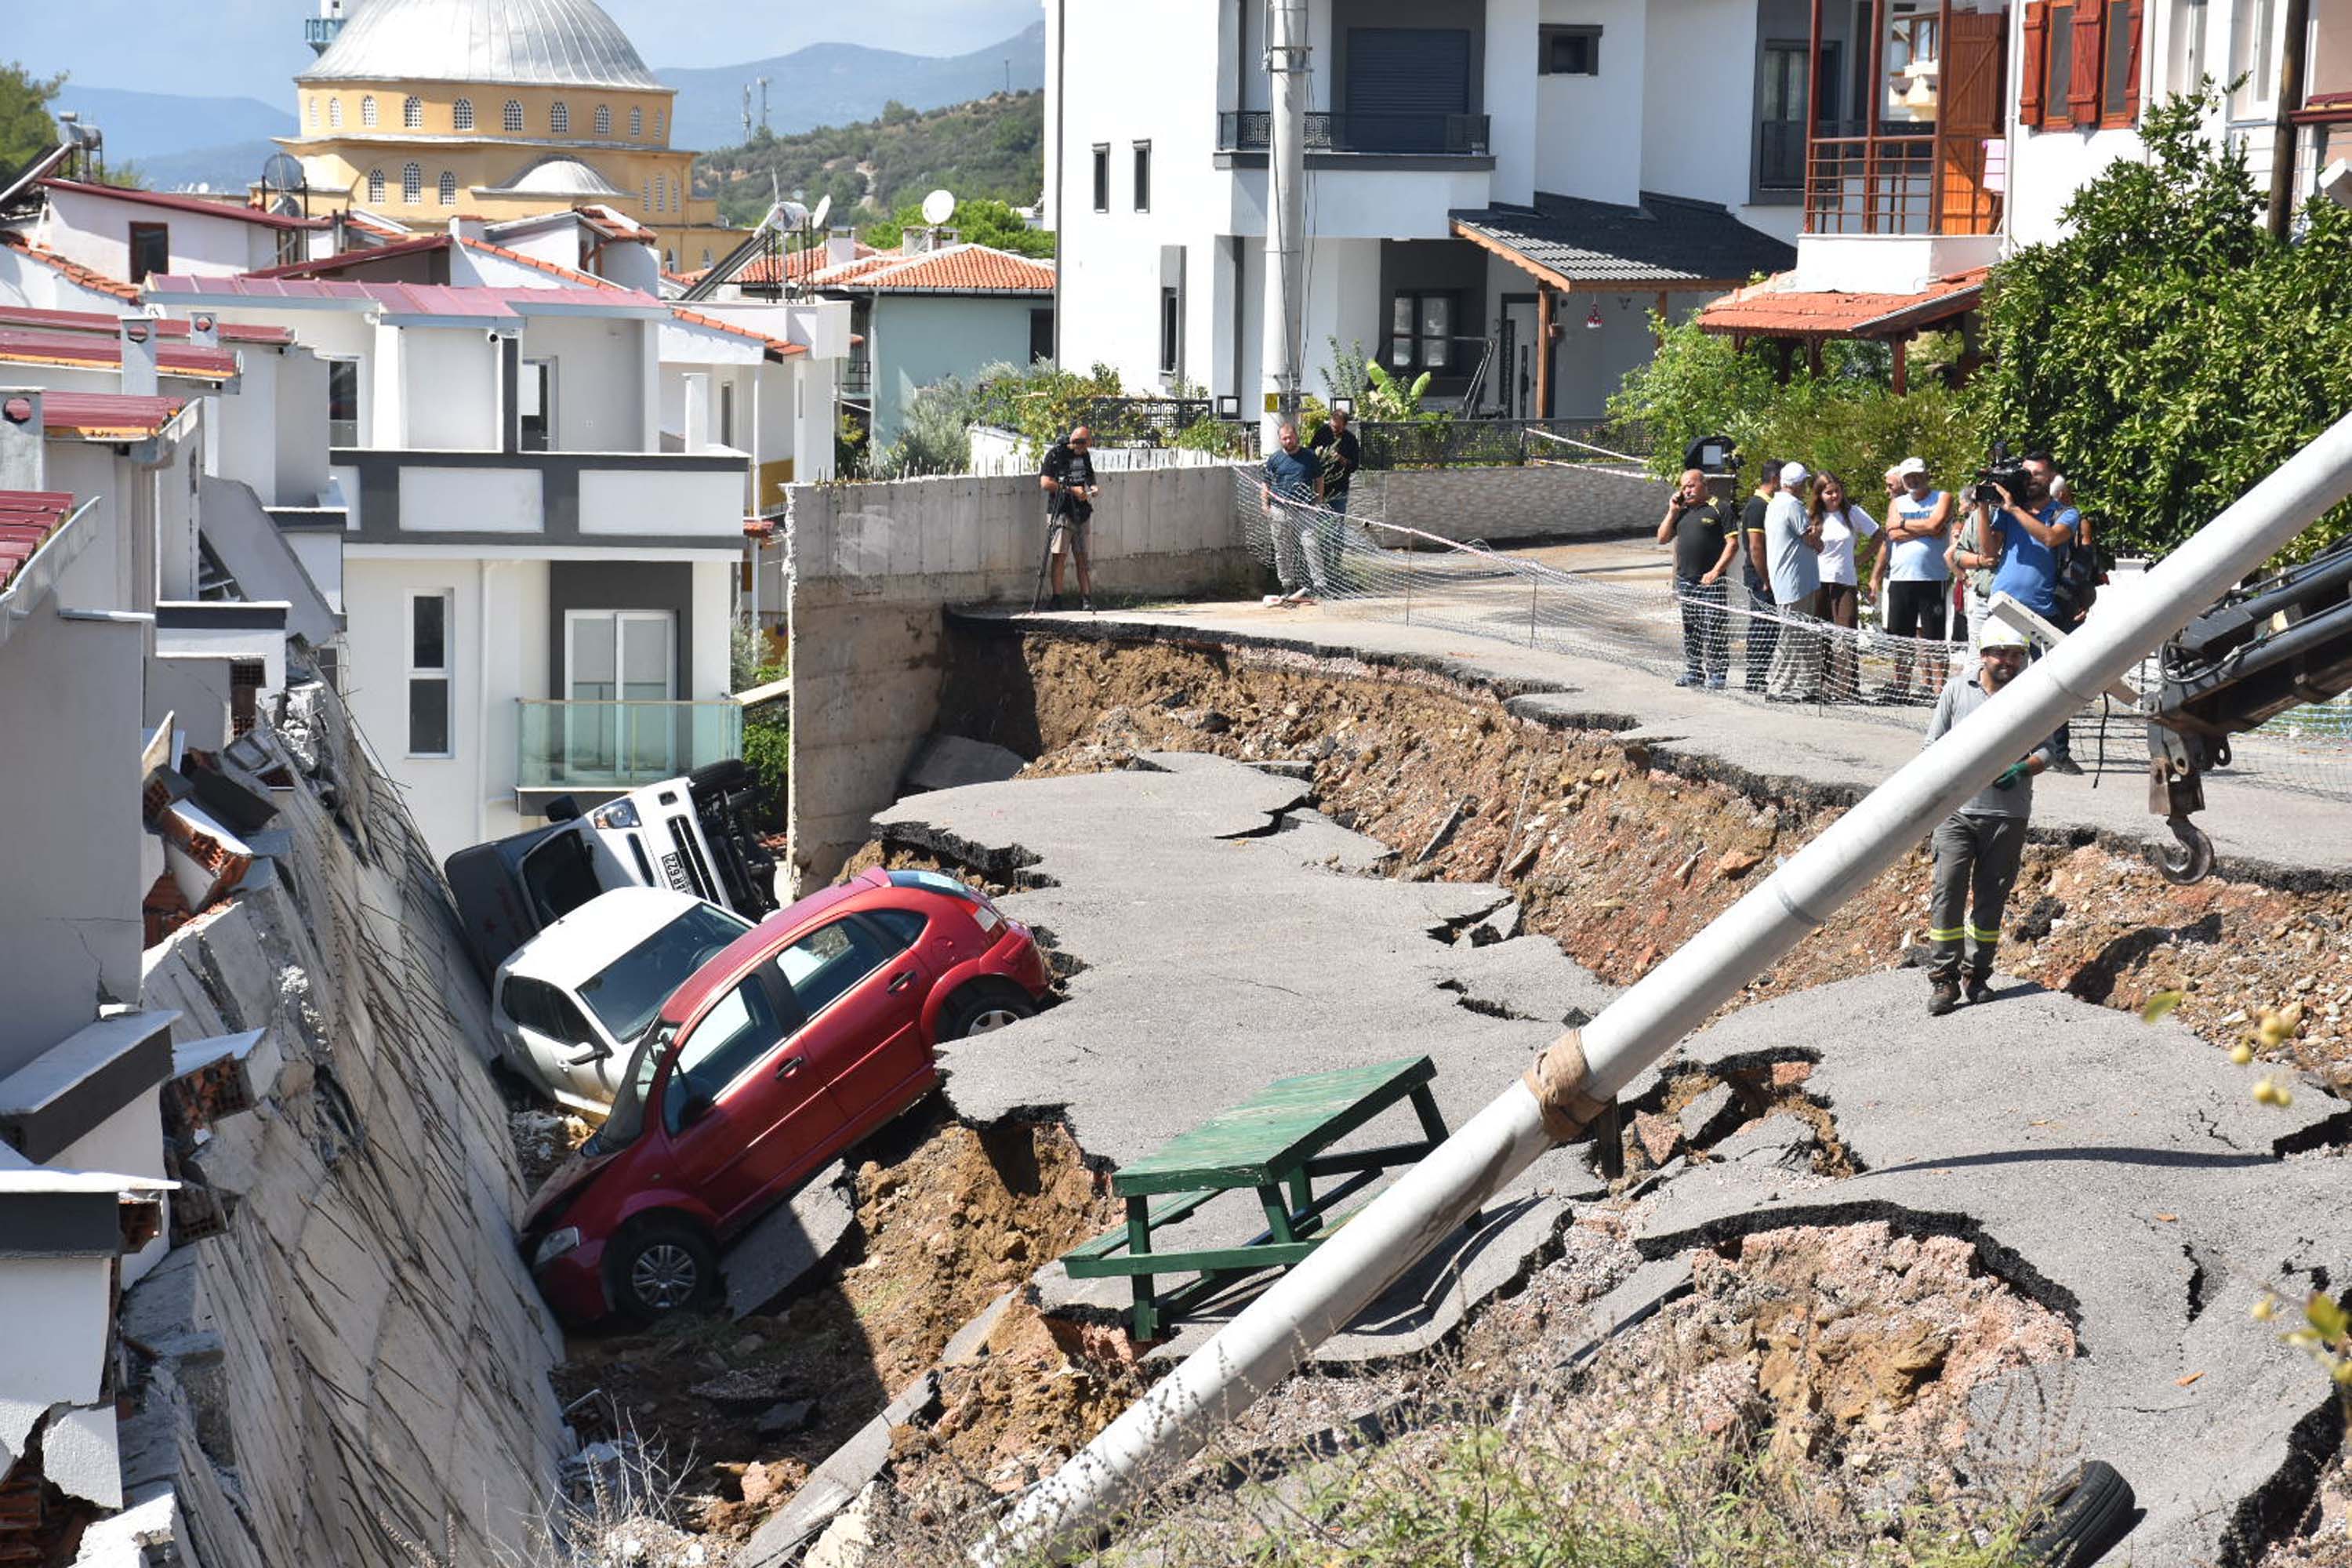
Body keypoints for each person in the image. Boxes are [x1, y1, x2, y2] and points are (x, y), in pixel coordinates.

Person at [1922, 622, 2056, 1015]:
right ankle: (1943, 980)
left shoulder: (2033, 696)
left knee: (1990, 901)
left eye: (2015, 654)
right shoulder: (1957, 691)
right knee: (1947, 893)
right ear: (1983, 655)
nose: (2008, 661)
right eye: (2000, 653)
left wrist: (2022, 769)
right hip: (1958, 813)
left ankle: (1977, 975)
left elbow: (2049, 751)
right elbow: (1931, 745)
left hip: (2007, 816)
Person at [1965, 451, 2083, 771]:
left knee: (2052, 683)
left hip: (2044, 609)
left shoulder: (2065, 512)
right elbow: (1989, 553)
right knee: (1998, 675)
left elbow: (2049, 537)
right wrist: (1984, 507)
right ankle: (1993, 745)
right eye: (2026, 473)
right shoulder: (2008, 512)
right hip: (2003, 605)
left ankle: (2058, 752)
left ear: (2052, 478)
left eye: (2037, 474)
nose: (2030, 479)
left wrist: (2014, 508)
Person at [1870, 457, 1954, 703]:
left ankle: (1940, 692)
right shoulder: (1897, 502)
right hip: (1900, 577)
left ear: (1926, 475)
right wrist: (1925, 528)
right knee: (1900, 637)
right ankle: (1901, 689)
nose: (1913, 481)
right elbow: (1891, 532)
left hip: (1932, 577)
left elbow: (1936, 524)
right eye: (1908, 477)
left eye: (1917, 475)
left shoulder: (1943, 497)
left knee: (1935, 638)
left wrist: (1906, 524)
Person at [1656, 467, 1737, 688]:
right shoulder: (1682, 511)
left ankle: (1717, 674)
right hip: (1686, 580)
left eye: (1691, 485)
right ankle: (1694, 671)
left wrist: (1716, 571)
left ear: (1704, 484)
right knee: (1692, 628)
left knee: (1714, 627)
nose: (1687, 491)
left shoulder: (1720, 508)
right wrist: (1672, 511)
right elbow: (1662, 538)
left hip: (1712, 582)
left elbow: (1732, 544)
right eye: (1684, 487)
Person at [1809, 471, 1878, 702]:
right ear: (1819, 495)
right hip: (1818, 580)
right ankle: (1822, 684)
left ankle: (1847, 688)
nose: (1834, 496)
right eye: (1828, 492)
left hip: (1845, 580)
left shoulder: (1852, 513)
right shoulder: (1812, 516)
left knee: (1845, 632)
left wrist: (1861, 558)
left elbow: (1878, 535)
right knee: (1821, 632)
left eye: (1837, 490)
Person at [1762, 461, 1825, 702]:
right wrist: (1818, 534)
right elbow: (1810, 538)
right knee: (1792, 635)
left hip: (1798, 580)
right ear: (1799, 485)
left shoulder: (1775, 503)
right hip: (1794, 582)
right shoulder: (1792, 505)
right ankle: (1778, 687)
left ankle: (1809, 686)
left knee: (1806, 634)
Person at [1260, 421, 1327, 604]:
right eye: (1284, 438)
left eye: (1290, 437)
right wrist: (1265, 504)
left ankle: (1320, 586)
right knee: (1282, 549)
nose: (1288, 441)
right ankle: (1287, 585)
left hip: (1304, 510)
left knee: (1311, 545)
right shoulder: (1274, 459)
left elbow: (1319, 479)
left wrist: (1317, 502)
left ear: (1296, 437)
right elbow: (1266, 483)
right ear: (1280, 440)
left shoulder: (1309, 457)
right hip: (1279, 510)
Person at [1038, 425, 1101, 611]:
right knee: (1059, 556)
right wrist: (1071, 491)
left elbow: (1089, 475)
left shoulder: (1085, 455)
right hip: (1062, 512)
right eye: (1080, 444)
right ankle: (1057, 598)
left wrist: (1092, 487)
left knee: (1082, 557)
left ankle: (1086, 598)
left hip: (1082, 513)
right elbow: (1045, 483)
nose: (1083, 448)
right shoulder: (1056, 455)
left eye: (1086, 444)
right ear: (1073, 441)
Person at [1737, 459, 1780, 691]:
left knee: (1770, 627)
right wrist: (1766, 580)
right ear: (1775, 480)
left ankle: (1759, 676)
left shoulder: (1770, 504)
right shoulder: (1758, 506)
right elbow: (1755, 547)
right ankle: (1754, 678)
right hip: (1760, 577)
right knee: (1762, 626)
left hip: (1767, 576)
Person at [1307, 408, 1360, 517]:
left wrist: (1340, 459)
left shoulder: (1351, 440)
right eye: (1332, 426)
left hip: (1339, 490)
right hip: (1319, 487)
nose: (1333, 430)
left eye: (1337, 427)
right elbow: (1310, 453)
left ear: (1345, 425)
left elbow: (1354, 466)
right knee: (1317, 522)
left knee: (1336, 524)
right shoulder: (1322, 433)